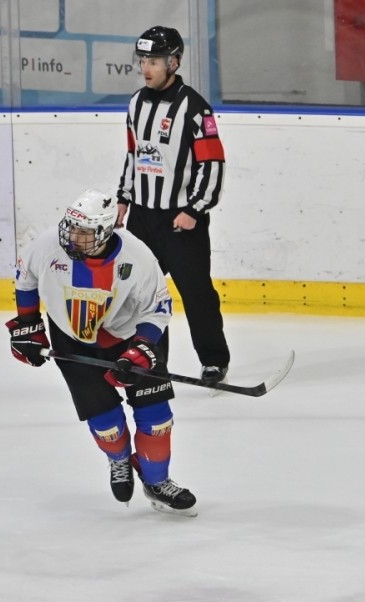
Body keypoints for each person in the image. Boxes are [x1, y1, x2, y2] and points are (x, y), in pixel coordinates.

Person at [5, 188, 196, 516]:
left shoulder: (138, 257)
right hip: (71, 338)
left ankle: (157, 480)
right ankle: (119, 459)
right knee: (106, 422)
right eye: (71, 227)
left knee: (157, 417)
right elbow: (26, 279)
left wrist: (141, 348)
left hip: (133, 338)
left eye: (84, 232)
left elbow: (158, 308)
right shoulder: (46, 246)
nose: (72, 237)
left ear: (106, 231)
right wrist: (28, 326)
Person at [115, 25, 231, 384]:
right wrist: (123, 197)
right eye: (142, 60)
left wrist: (195, 209)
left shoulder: (195, 108)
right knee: (137, 294)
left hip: (181, 220)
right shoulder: (136, 103)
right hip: (142, 217)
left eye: (154, 61)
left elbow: (212, 163)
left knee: (196, 294)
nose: (146, 68)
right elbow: (134, 155)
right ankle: (149, 357)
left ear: (174, 62)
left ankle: (214, 360)